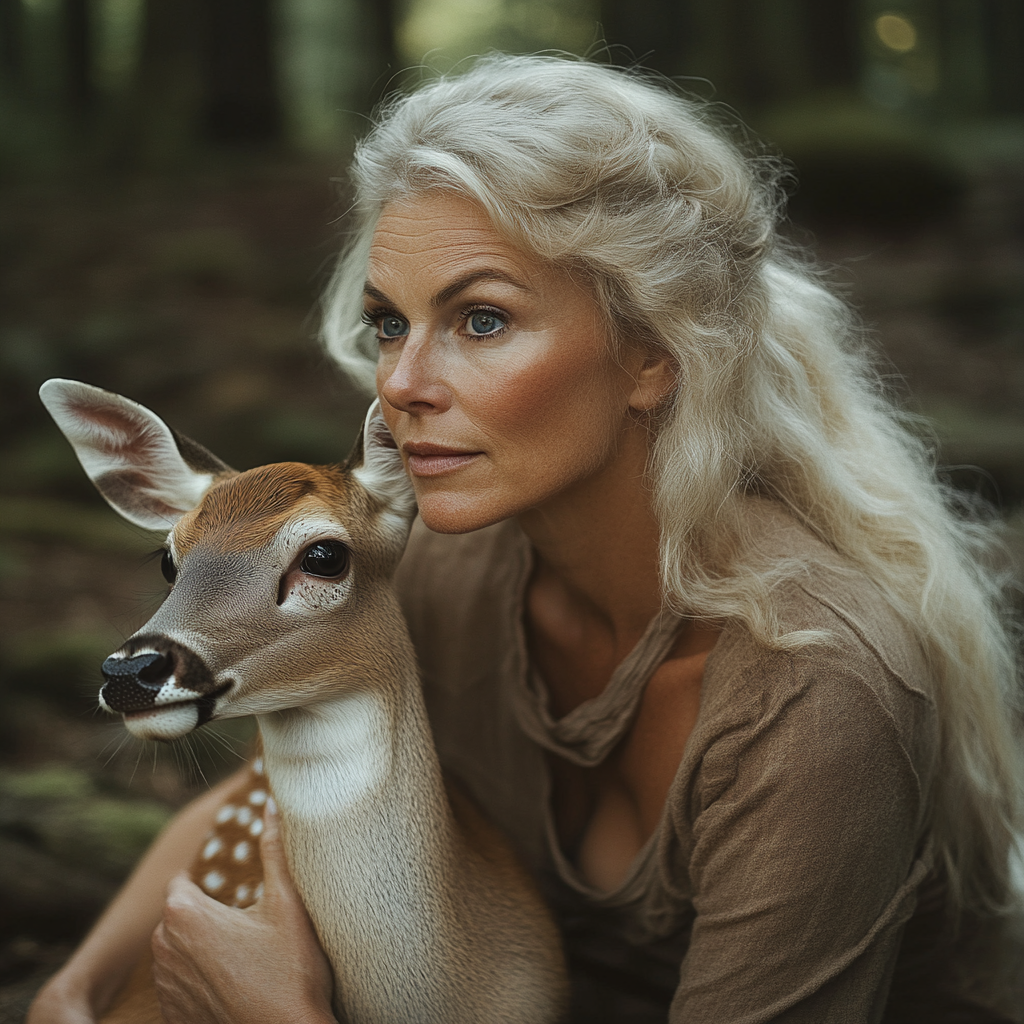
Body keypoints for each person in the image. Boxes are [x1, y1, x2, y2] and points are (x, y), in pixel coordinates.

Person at [29, 54, 1024, 1024]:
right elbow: (268, 774)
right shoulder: (447, 571)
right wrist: (74, 986)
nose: (402, 382)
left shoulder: (813, 693)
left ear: (654, 350)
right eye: (389, 323)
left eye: (483, 320)